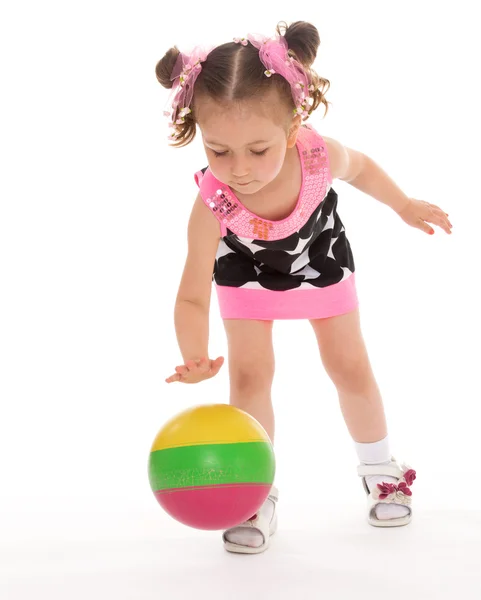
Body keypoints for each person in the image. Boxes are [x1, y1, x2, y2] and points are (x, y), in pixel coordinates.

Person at [155, 21, 453, 554]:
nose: (239, 169)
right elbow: (193, 291)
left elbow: (360, 168)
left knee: (349, 366)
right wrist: (194, 355)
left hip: (320, 260)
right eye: (219, 150)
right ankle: (253, 495)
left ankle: (382, 469)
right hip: (245, 271)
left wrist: (404, 205)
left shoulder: (317, 156)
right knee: (250, 377)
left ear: (293, 127)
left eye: (257, 149)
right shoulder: (212, 202)